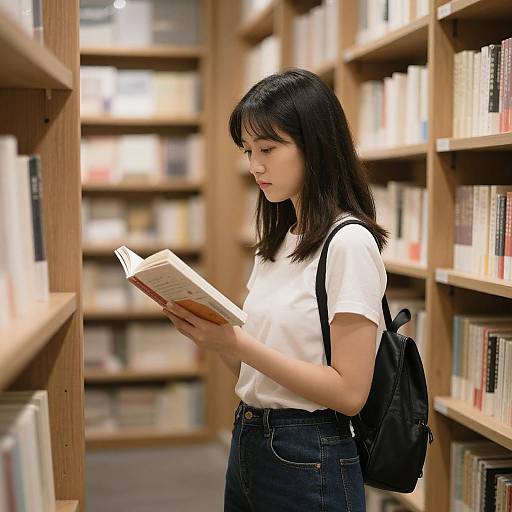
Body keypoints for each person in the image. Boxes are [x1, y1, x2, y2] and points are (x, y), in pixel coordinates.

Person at [163, 68, 388, 512]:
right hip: (249, 437)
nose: (255, 165)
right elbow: (261, 369)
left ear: (316, 144)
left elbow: (349, 392)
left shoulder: (349, 244)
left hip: (310, 454)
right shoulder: (279, 240)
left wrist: (238, 342)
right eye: (248, 150)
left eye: (268, 148)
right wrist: (212, 332)